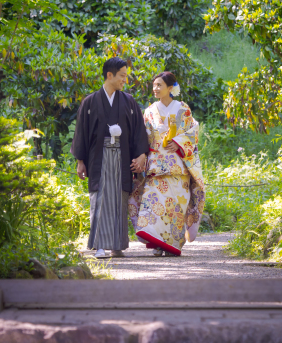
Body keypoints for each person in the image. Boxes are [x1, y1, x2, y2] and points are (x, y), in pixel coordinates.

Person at [71, 57, 149, 259]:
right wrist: (80, 160)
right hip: (99, 157)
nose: (125, 79)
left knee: (119, 199)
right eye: (122, 75)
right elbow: (81, 132)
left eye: (125, 76)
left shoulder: (129, 102)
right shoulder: (90, 102)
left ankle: (116, 245)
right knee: (100, 198)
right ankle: (99, 245)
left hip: (122, 157)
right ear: (109, 75)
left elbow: (139, 131)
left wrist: (141, 155)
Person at [129, 71, 206, 256]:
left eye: (159, 85)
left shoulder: (183, 109)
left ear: (170, 88)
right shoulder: (148, 112)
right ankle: (157, 244)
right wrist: (141, 156)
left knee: (176, 206)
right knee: (153, 204)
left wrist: (178, 142)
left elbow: (193, 132)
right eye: (154, 85)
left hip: (178, 165)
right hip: (155, 165)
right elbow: (141, 137)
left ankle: (173, 245)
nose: (155, 89)